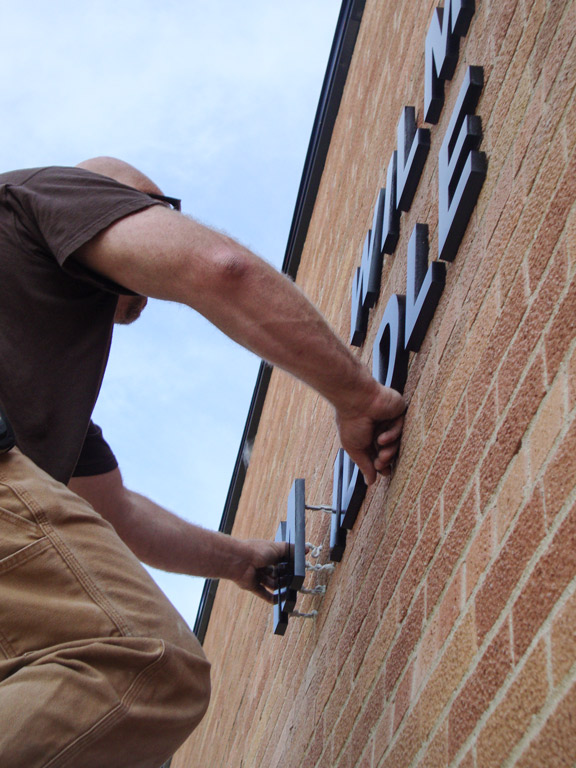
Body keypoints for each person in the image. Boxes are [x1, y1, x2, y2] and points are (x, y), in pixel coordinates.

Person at [0, 157, 405, 768]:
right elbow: (221, 269)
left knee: (106, 734)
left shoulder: (45, 412)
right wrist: (358, 396)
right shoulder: (46, 195)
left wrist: (239, 560)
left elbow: (118, 516)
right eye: (158, 211)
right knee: (139, 664)